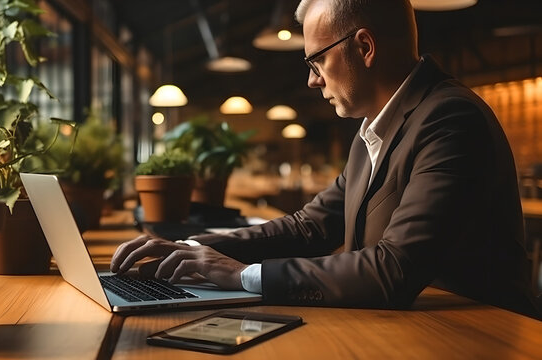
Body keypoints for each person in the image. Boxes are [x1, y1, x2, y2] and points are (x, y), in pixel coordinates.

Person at [111, 0, 538, 317]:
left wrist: (241, 275)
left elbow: (393, 269)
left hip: (476, 338)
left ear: (364, 47)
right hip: (402, 329)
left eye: (316, 60)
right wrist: (193, 249)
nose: (312, 80)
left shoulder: (449, 118)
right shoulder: (372, 130)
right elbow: (310, 226)